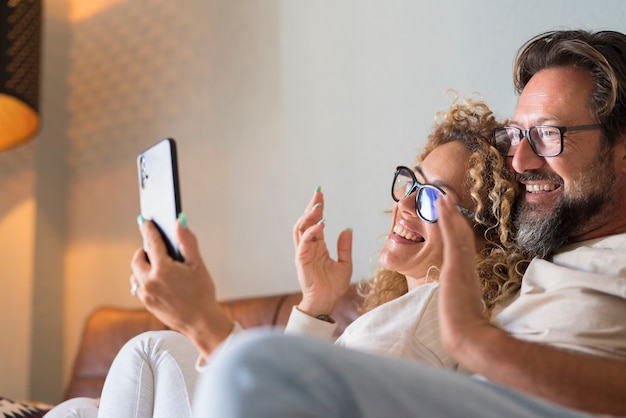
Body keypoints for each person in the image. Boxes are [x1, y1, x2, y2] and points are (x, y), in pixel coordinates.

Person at [191, 29, 626, 417]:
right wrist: (315, 306)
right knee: (155, 350)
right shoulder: (548, 243)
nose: (520, 161)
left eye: (548, 134)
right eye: (516, 136)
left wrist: (478, 342)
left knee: (252, 364)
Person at [44, 98, 528, 418]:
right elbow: (307, 391)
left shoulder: (420, 322)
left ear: (483, 237)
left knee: (148, 350)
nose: (403, 204)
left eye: (432, 198)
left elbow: (276, 406)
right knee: (80, 411)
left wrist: (200, 322)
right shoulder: (415, 310)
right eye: (411, 182)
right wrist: (316, 305)